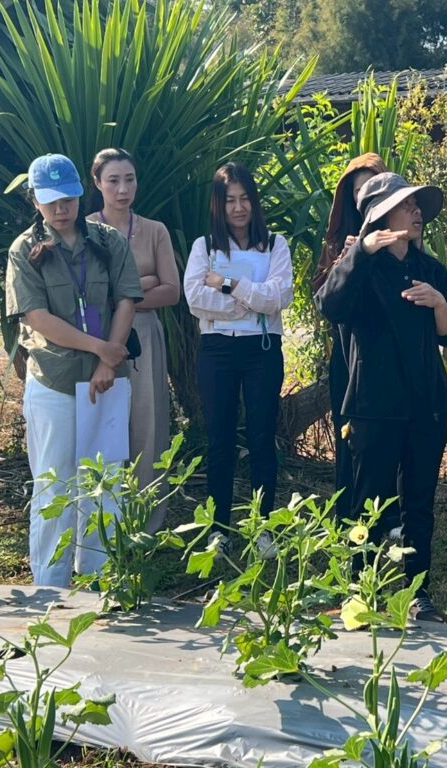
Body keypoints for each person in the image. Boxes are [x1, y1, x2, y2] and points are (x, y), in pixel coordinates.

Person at [316, 172, 447, 623]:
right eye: (406, 205)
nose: (416, 213)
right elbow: (328, 305)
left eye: (417, 206)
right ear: (380, 216)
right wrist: (360, 251)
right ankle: (362, 590)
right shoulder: (361, 269)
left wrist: (439, 303)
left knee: (419, 502)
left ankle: (419, 593)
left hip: (427, 402)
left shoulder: (429, 269)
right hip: (374, 406)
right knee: (368, 503)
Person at [6, 153, 143, 587]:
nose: (61, 208)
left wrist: (107, 361)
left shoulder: (107, 240)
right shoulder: (24, 250)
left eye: (68, 198)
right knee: (55, 484)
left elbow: (126, 300)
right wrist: (100, 349)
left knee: (106, 484)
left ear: (81, 195)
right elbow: (36, 317)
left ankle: (102, 580)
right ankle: (50, 587)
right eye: (51, 201)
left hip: (108, 382)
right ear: (35, 200)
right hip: (55, 382)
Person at [183, 163, 293, 550]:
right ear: (219, 204)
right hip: (218, 350)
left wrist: (228, 284)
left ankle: (263, 527)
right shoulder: (204, 247)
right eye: (230, 200)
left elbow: (279, 297)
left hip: (262, 350)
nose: (239, 207)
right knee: (220, 439)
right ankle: (219, 528)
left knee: (262, 438)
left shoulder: (276, 245)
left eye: (245, 198)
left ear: (255, 201)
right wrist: (248, 302)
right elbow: (195, 299)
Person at [88, 148, 180, 532]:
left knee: (148, 423)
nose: (123, 189)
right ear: (97, 183)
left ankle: (146, 521)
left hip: (145, 336)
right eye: (113, 180)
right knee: (102, 424)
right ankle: (103, 521)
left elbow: (172, 291)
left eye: (129, 179)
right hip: (99, 338)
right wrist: (144, 284)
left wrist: (124, 296)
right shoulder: (85, 230)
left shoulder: (155, 230)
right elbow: (88, 295)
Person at [312, 153, 388, 517]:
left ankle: (389, 512)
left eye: (374, 187)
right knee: (350, 434)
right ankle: (348, 512)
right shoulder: (338, 241)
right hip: (348, 353)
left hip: (389, 351)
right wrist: (347, 261)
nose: (365, 197)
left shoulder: (401, 233)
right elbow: (324, 298)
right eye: (358, 190)